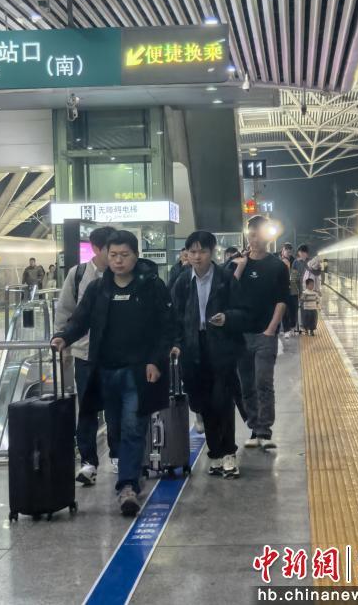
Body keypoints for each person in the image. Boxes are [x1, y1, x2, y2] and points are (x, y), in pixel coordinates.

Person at [51, 230, 174, 517]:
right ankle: (132, 474)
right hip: (105, 371)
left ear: (136, 255)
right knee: (116, 428)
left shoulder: (152, 287)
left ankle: (127, 487)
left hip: (138, 373)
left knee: (133, 426)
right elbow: (80, 320)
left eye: (125, 255)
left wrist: (155, 361)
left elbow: (166, 327)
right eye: (113, 255)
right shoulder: (98, 288)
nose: (118, 261)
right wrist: (63, 338)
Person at [171, 231, 248, 479]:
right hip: (193, 349)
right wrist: (177, 344)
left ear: (212, 252)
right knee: (203, 403)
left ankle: (228, 453)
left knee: (222, 401)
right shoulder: (183, 282)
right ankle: (215, 453)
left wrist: (228, 317)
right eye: (192, 252)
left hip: (221, 347)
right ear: (186, 254)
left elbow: (243, 312)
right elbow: (175, 318)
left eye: (202, 251)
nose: (197, 256)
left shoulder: (225, 279)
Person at [54, 226, 116, 486]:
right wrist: (64, 345)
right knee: (88, 409)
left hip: (116, 354)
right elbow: (65, 311)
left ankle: (118, 455)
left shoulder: (122, 275)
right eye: (110, 250)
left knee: (116, 408)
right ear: (97, 249)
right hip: (85, 352)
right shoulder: (78, 274)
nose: (115, 256)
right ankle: (88, 461)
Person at [233, 216, 290, 450]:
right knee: (246, 384)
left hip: (265, 334)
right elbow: (226, 292)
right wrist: (239, 267)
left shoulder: (277, 266)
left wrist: (270, 330)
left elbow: (282, 300)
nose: (254, 239)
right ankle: (254, 428)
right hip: (241, 334)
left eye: (258, 235)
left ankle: (265, 431)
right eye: (251, 234)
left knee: (263, 382)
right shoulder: (238, 264)